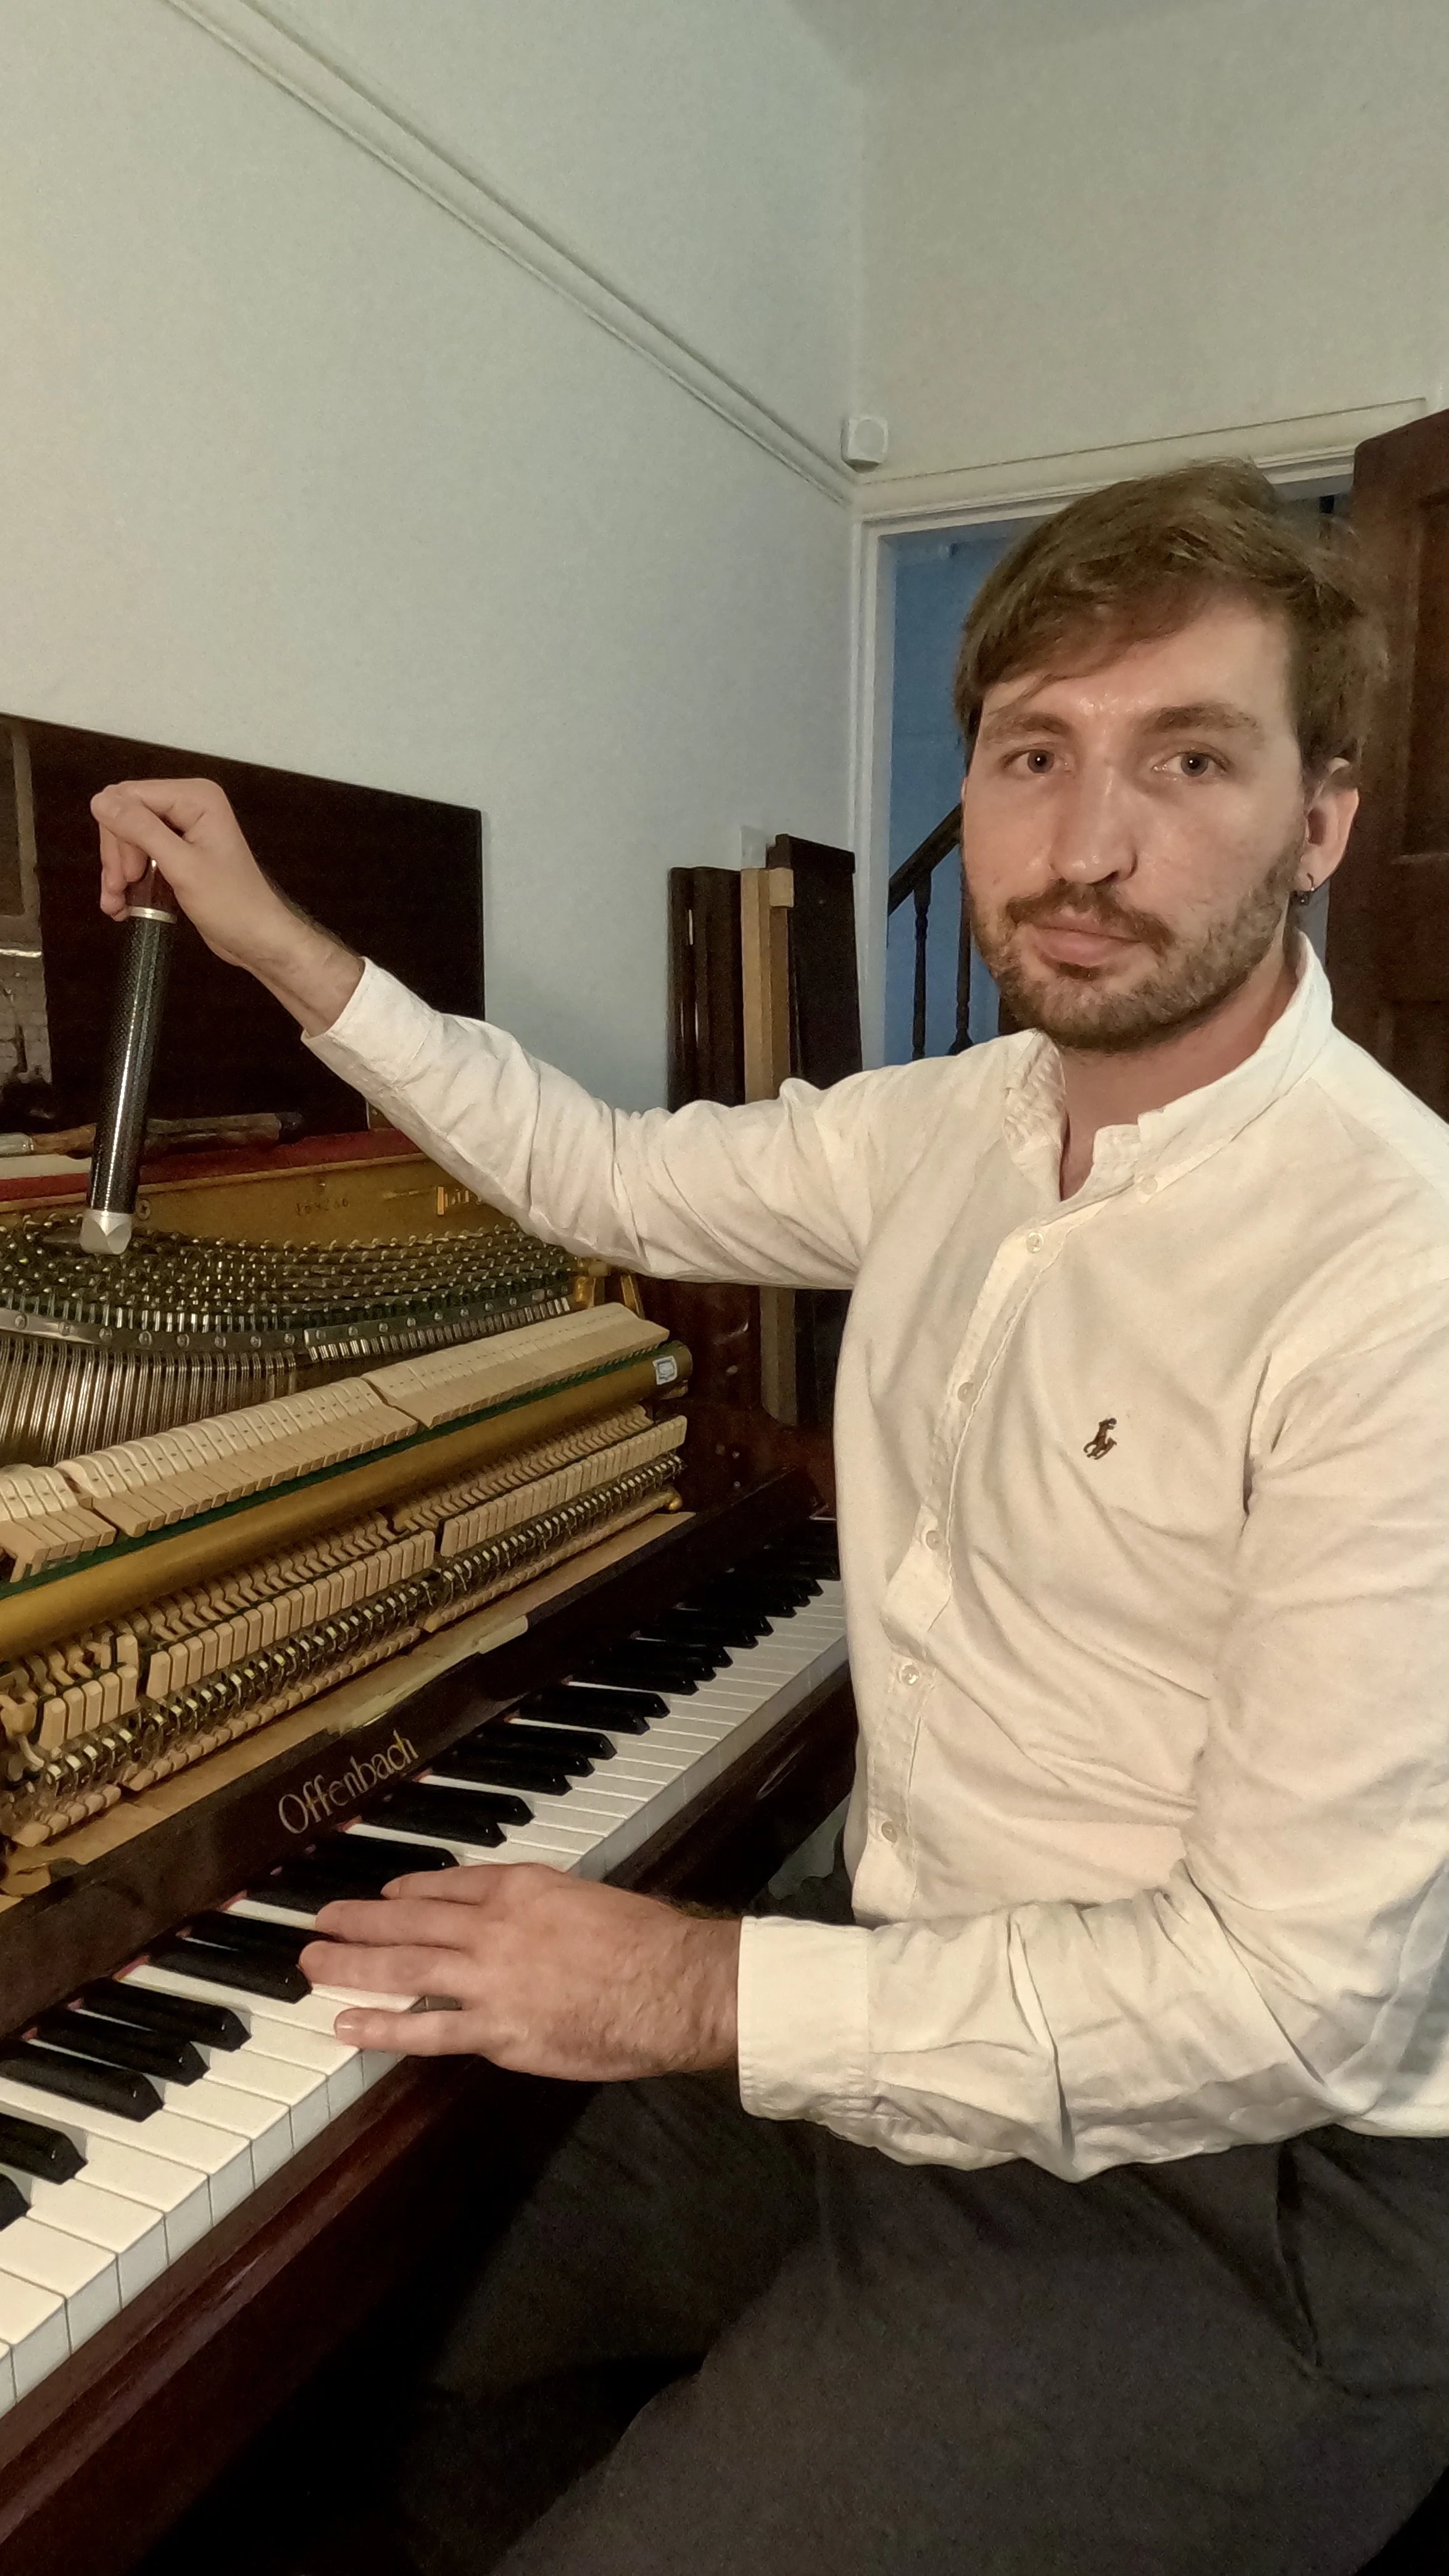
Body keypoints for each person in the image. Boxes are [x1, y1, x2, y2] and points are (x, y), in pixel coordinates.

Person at [93, 463, 1449, 2576]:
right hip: (899, 1997)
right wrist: (288, 950)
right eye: (1030, 755)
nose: (1084, 845)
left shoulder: (1394, 1273)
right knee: (408, 2362)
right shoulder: (953, 1128)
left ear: (1319, 821)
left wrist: (698, 1990)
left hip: (1247, 2192)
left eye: (1186, 758)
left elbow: (1294, 2004)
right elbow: (612, 1180)